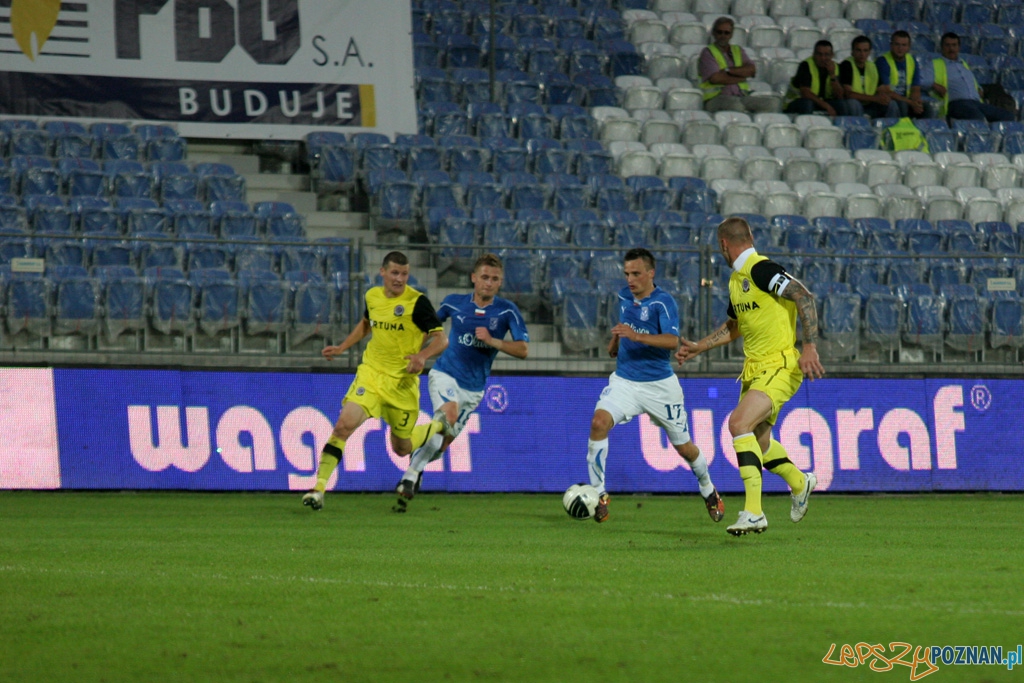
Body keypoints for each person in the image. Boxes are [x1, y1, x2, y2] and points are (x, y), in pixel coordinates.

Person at [675, 218, 824, 536]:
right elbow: (734, 327)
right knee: (759, 441)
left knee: (738, 424)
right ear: (750, 236)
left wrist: (809, 345)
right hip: (755, 370)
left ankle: (754, 512)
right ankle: (800, 482)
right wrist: (700, 347)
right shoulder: (736, 281)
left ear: (723, 246)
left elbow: (804, 296)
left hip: (780, 365)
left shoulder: (761, 269)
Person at [585, 247, 724, 524]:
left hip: (660, 387)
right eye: (626, 274)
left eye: (636, 273)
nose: (630, 279)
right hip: (625, 381)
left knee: (684, 447)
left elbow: (672, 342)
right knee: (599, 423)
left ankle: (708, 489)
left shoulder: (663, 303)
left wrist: (635, 336)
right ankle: (598, 495)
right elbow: (623, 325)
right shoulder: (623, 298)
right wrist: (616, 341)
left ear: (651, 273)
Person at [302, 251, 449, 511]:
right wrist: (341, 347)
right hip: (371, 375)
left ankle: (437, 426)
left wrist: (422, 356)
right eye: (394, 273)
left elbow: (441, 339)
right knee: (343, 426)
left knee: (401, 449)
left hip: (402, 385)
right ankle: (319, 489)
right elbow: (366, 324)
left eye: (404, 274)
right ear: (382, 272)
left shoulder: (417, 302)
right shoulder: (372, 296)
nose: (400, 279)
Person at [393, 253, 530, 512]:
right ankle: (409, 478)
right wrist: (415, 352)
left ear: (500, 282)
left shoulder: (506, 310)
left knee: (441, 444)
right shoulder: (454, 303)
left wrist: (493, 341)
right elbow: (430, 327)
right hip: (445, 374)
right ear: (474, 278)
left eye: (495, 279)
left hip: (474, 389)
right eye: (484, 277)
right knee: (448, 416)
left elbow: (523, 350)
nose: (488, 283)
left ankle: (418, 465)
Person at [698, 17, 779, 114]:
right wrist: (740, 77)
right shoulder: (707, 52)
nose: (723, 35)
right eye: (720, 32)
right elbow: (715, 78)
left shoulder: (737, 50)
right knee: (736, 105)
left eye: (726, 33)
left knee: (772, 103)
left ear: (731, 34)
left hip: (741, 96)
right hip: (715, 98)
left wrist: (728, 70)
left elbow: (751, 70)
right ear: (714, 33)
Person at [931, 32, 1014, 123]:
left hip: (976, 103)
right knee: (978, 119)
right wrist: (935, 85)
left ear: (958, 47)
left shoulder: (963, 65)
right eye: (947, 45)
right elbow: (921, 80)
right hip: (956, 103)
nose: (951, 48)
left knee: (1007, 117)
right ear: (942, 48)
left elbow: (972, 82)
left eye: (954, 45)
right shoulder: (934, 63)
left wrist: (979, 89)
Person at [784, 40, 859, 116]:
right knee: (807, 104)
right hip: (797, 101)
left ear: (832, 55)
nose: (823, 58)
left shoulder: (836, 67)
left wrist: (832, 75)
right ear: (814, 54)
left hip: (821, 101)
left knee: (841, 105)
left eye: (826, 55)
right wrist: (827, 106)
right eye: (819, 54)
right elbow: (805, 93)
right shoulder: (806, 65)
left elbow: (840, 95)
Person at [840, 35, 900, 119]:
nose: (862, 54)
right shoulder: (846, 65)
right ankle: (857, 128)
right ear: (852, 52)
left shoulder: (872, 66)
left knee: (891, 103)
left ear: (869, 52)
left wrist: (885, 97)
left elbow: (882, 89)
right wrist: (875, 98)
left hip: (870, 104)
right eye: (858, 50)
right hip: (855, 104)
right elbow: (848, 94)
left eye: (865, 51)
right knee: (853, 103)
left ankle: (890, 129)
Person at [875, 30, 932, 119]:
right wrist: (910, 102)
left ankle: (925, 132)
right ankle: (904, 130)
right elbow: (886, 91)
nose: (900, 48)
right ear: (891, 46)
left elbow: (915, 88)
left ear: (909, 47)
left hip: (906, 100)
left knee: (926, 107)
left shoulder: (912, 61)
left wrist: (916, 102)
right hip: (889, 100)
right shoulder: (883, 61)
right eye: (897, 44)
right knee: (902, 104)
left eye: (904, 45)